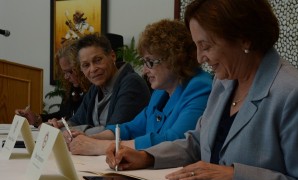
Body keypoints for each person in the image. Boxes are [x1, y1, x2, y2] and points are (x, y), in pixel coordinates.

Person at [105, 0, 298, 180]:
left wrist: (235, 174)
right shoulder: (223, 83)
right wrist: (147, 157)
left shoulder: (291, 92)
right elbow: (197, 142)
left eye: (205, 46)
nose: (199, 58)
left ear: (244, 38)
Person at [63, 19, 212, 156]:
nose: (145, 71)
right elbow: (131, 128)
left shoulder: (199, 87)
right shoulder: (160, 92)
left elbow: (175, 141)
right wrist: (88, 138)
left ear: (173, 58)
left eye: (150, 62)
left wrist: (100, 146)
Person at [53, 33, 150, 135]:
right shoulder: (95, 88)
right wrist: (59, 125)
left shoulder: (132, 83)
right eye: (86, 65)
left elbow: (114, 132)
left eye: (98, 60)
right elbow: (76, 121)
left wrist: (75, 131)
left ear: (112, 56)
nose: (93, 69)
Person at [15, 40, 90, 127]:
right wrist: (36, 118)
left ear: (81, 66)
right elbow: (61, 115)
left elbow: (79, 122)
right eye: (64, 72)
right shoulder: (73, 88)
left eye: (69, 71)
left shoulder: (94, 91)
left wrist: (62, 124)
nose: (66, 77)